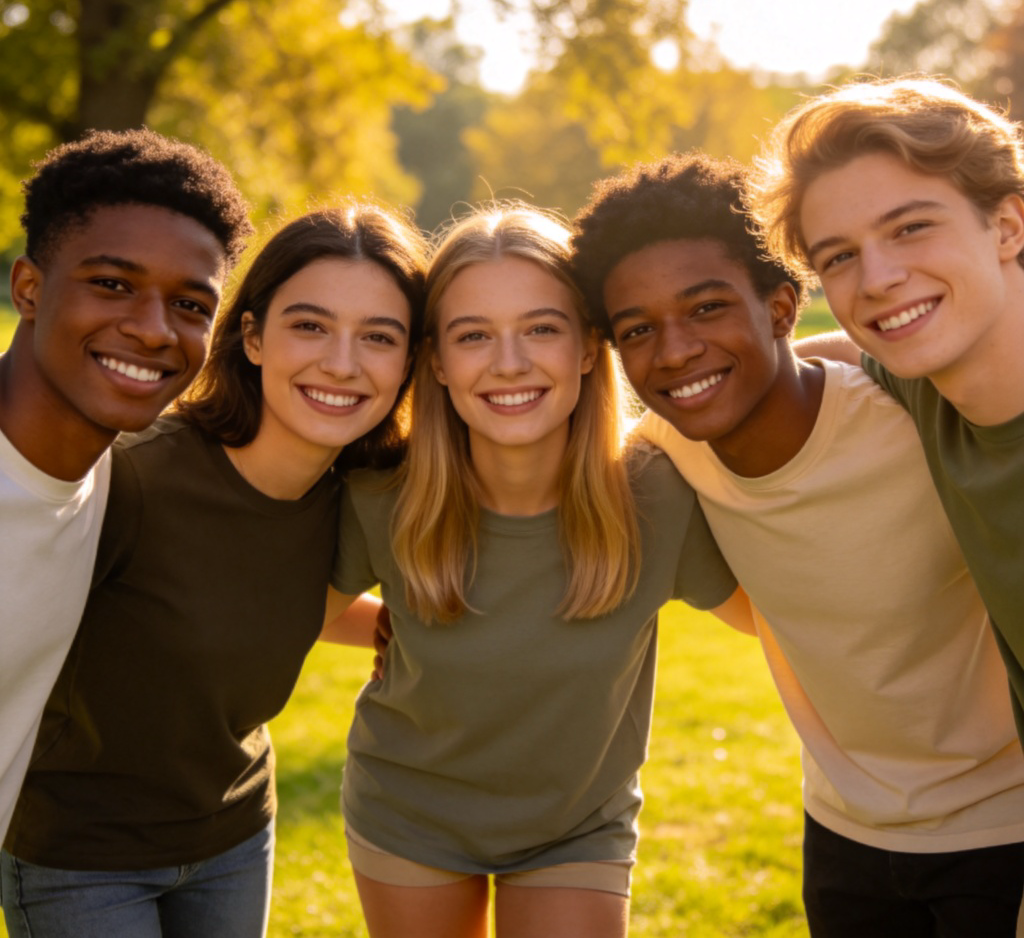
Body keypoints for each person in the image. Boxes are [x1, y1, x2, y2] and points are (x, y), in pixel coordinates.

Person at [569, 151, 1024, 937]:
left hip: (1004, 829)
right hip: (845, 833)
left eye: (707, 308)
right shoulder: (662, 457)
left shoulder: (911, 421)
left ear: (782, 308)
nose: (674, 351)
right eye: (637, 330)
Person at [1, 204, 427, 938]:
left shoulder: (360, 497)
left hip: (233, 836)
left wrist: (405, 630)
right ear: (254, 337)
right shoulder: (133, 479)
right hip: (81, 858)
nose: (342, 362)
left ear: (410, 362)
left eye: (379, 338)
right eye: (310, 325)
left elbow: (290, 605)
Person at [331, 203, 739, 938]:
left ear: (589, 347)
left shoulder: (660, 492)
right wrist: (394, 626)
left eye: (541, 329)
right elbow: (320, 613)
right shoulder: (380, 493)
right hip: (410, 811)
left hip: (576, 824)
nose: (509, 363)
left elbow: (781, 618)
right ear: (437, 362)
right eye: (474, 335)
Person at [745, 78, 1024, 742]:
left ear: (1008, 227)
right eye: (839, 257)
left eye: (911, 228)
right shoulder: (928, 381)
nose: (877, 280)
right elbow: (831, 354)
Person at [0, 128, 251, 845]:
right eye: (112, 285)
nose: (152, 331)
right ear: (29, 288)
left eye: (190, 306)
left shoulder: (119, 479)